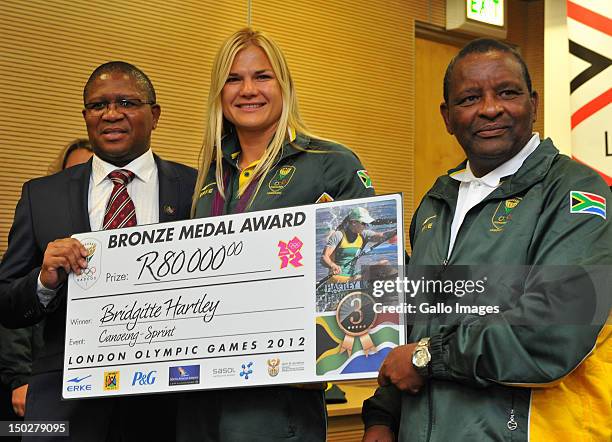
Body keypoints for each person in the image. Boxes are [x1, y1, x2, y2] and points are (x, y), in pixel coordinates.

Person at [362, 39, 611, 441]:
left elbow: (554, 332)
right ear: (447, 116)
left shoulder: (574, 192)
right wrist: (384, 415)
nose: (490, 108)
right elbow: (413, 323)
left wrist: (429, 358)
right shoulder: (434, 204)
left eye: (508, 92)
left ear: (534, 102)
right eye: (470, 97)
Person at [179, 28, 375, 441]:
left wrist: (323, 356)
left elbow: (371, 269)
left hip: (277, 401)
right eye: (233, 79)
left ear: (284, 85)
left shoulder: (330, 164)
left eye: (262, 76)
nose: (248, 90)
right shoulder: (208, 178)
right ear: (219, 92)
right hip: (200, 402)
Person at [0, 61, 197, 442]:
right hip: (64, 405)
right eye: (97, 105)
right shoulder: (41, 195)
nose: (111, 113)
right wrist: (43, 281)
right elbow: (6, 303)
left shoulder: (197, 187)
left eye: (127, 101)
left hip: (169, 402)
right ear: (86, 116)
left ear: (154, 115)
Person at [0, 138, 93, 421]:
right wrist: (19, 379)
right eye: (75, 172)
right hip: (39, 385)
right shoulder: (42, 223)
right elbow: (12, 301)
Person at [321, 207, 395, 283]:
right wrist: (332, 265)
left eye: (366, 223)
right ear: (353, 222)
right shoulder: (338, 235)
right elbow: (324, 258)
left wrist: (395, 231)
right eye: (363, 223)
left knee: (384, 264)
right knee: (366, 278)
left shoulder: (363, 235)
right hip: (337, 277)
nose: (365, 226)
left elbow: (382, 236)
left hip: (353, 276)